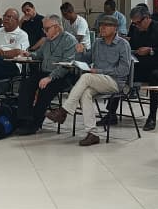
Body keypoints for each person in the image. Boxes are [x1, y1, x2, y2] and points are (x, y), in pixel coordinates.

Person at [48, 16, 132, 147]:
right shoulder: (98, 43)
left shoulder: (123, 44)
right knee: (85, 93)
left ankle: (63, 111)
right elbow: (87, 59)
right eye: (101, 25)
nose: (102, 28)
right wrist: (80, 52)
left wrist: (99, 71)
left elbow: (124, 70)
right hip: (97, 80)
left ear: (115, 28)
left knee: (86, 77)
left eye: (106, 25)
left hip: (115, 82)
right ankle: (92, 133)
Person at [14, 15, 79, 134]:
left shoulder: (69, 40)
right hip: (45, 72)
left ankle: (35, 124)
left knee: (45, 89)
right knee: (26, 84)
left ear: (57, 27)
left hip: (62, 76)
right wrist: (29, 54)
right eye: (43, 29)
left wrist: (50, 77)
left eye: (47, 29)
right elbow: (39, 55)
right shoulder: (48, 40)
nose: (44, 31)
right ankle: (24, 120)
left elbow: (67, 65)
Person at [124, 5, 158, 130]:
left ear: (147, 18)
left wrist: (151, 50)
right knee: (121, 72)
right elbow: (133, 46)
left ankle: (152, 116)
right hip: (140, 66)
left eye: (138, 23)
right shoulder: (135, 29)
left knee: (155, 76)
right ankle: (111, 112)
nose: (136, 26)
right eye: (134, 23)